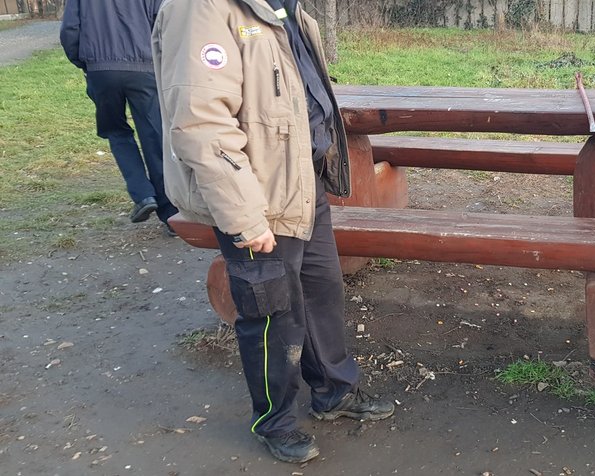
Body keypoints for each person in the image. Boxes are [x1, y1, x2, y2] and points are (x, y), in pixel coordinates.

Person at [152, 0, 394, 464]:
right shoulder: (199, 8)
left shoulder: (284, 6)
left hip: (302, 183)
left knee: (322, 291)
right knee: (271, 314)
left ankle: (333, 392)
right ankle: (275, 420)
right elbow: (201, 123)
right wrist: (245, 216)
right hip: (257, 196)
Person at [60, 0, 178, 235]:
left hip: (101, 70)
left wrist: (83, 62)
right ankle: (171, 215)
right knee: (155, 136)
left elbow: (70, 29)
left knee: (116, 132)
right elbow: (162, 22)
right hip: (145, 68)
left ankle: (143, 194)